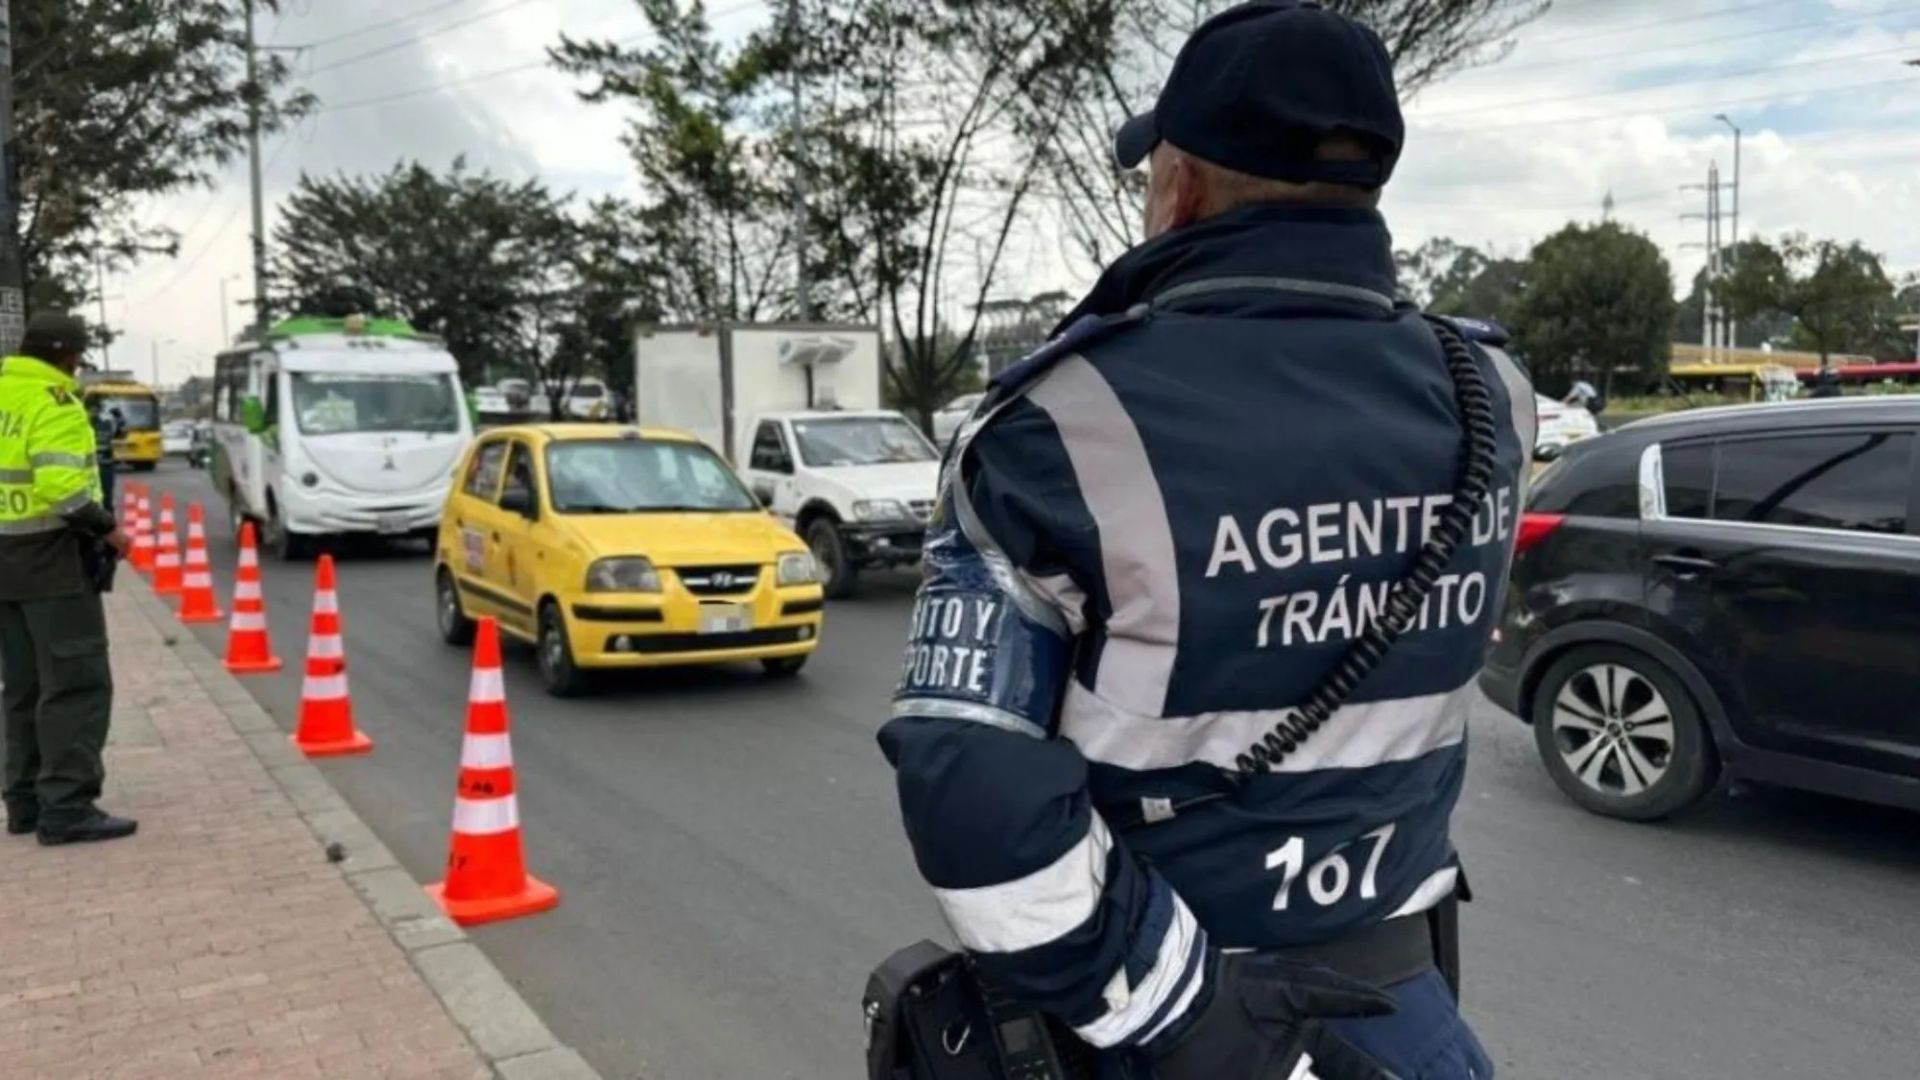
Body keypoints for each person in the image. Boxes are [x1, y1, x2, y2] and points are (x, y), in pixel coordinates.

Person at [877, 4, 1534, 1078]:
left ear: (1178, 185)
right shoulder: (1496, 395)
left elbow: (968, 793)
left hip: (1169, 1031)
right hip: (1411, 1020)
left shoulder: (1055, 426)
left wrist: (1183, 1012)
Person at [0, 312, 138, 845]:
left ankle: (24, 801)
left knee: (23, 684)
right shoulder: (53, 401)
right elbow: (62, 489)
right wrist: (110, 532)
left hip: (5, 563)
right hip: (51, 563)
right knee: (76, 682)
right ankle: (68, 805)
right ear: (68, 356)